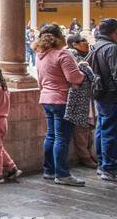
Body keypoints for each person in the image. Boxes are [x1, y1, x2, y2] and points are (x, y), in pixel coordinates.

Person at [35, 23, 86, 186]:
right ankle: (62, 174)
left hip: (46, 98)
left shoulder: (40, 55)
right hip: (62, 99)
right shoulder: (63, 54)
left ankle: (49, 170)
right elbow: (74, 78)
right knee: (62, 138)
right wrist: (84, 73)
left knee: (51, 135)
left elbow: (40, 79)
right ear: (60, 37)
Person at [87, 18, 117, 183]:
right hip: (114, 96)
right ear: (115, 32)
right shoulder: (113, 49)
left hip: (101, 95)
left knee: (103, 130)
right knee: (113, 133)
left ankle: (104, 164)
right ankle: (109, 167)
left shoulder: (95, 47)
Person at [65, 33, 99, 169]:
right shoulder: (75, 57)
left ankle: (90, 154)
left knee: (88, 128)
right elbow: (88, 77)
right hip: (79, 97)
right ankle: (85, 157)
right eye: (83, 41)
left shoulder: (84, 56)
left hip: (86, 97)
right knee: (81, 129)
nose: (86, 43)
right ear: (74, 44)